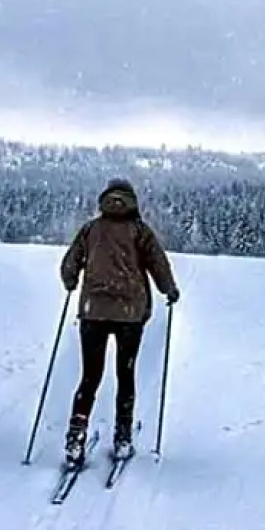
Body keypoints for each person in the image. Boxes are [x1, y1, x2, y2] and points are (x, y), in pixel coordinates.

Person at [59, 178, 180, 465]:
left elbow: (69, 264)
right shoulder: (139, 231)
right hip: (129, 316)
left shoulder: (91, 230)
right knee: (125, 376)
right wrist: (169, 289)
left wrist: (71, 280)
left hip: (93, 312)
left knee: (90, 377)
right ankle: (122, 437)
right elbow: (158, 264)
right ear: (132, 201)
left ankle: (76, 436)